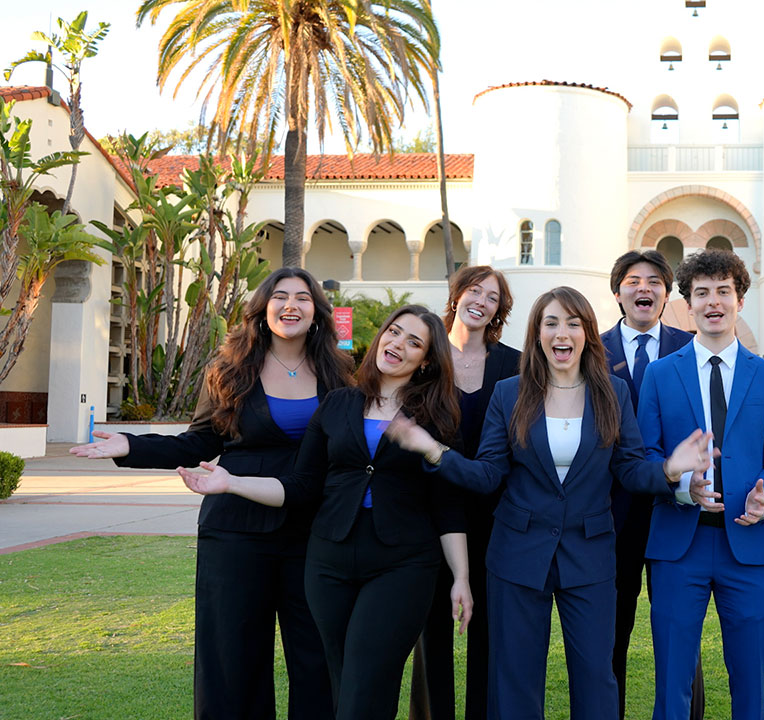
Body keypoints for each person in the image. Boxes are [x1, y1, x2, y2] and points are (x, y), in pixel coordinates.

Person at [392, 286, 710, 719]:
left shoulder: (613, 393)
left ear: (587, 333)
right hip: (517, 555)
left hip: (592, 554)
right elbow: (488, 474)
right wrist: (432, 450)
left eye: (573, 323)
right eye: (551, 323)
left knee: (597, 678)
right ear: (537, 334)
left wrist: (671, 470)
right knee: (514, 679)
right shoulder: (509, 393)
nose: (563, 333)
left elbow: (632, 470)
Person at [70, 267, 351, 720]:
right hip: (235, 531)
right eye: (280, 296)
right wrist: (132, 445)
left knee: (319, 656)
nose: (291, 305)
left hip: (315, 531)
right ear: (263, 310)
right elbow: (200, 441)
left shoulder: (340, 373)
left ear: (318, 313)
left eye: (303, 297)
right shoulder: (230, 370)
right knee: (231, 659)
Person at [178, 306, 473, 720]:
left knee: (365, 681)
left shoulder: (437, 418)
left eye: (414, 342)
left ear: (425, 360)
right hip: (329, 564)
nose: (398, 345)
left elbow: (447, 505)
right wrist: (231, 483)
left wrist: (460, 577)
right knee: (347, 682)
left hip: (402, 565)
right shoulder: (338, 404)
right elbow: (301, 486)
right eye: (394, 332)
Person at [638, 249, 764, 720]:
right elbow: (644, 458)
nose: (713, 302)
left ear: (739, 300)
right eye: (701, 293)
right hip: (677, 548)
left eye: (723, 291)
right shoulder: (660, 375)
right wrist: (683, 485)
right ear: (686, 304)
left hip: (747, 548)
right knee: (672, 686)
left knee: (750, 687)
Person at [411, 266, 520, 720]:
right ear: (456, 295)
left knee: (491, 633)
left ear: (499, 311)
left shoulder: (514, 364)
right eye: (474, 290)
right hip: (430, 514)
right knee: (432, 630)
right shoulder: (424, 360)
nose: (481, 300)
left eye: (492, 297)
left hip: (498, 514)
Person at [599, 250, 703, 720]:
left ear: (667, 293)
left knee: (680, 633)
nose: (644, 288)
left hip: (677, 510)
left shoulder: (693, 348)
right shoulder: (590, 349)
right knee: (609, 634)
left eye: (655, 281)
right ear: (617, 291)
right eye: (633, 280)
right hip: (608, 514)